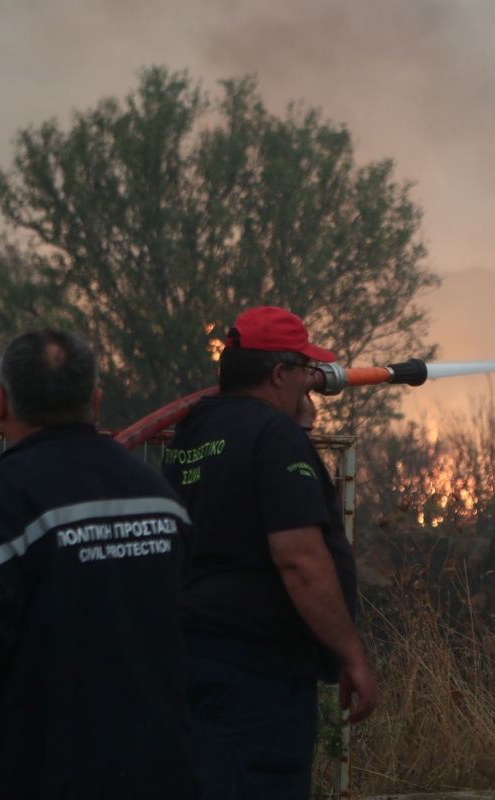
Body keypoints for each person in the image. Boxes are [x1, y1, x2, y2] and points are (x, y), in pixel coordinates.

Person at [0, 330, 198, 800]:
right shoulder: (160, 498)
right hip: (160, 773)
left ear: (1, 403)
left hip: (37, 775)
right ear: (94, 402)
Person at [161, 306, 379, 800]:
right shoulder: (271, 435)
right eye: (304, 370)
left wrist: (294, 425)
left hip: (193, 659)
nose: (311, 380)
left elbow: (233, 514)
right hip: (256, 678)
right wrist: (350, 655)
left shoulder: (196, 430)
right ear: (279, 373)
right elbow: (298, 559)